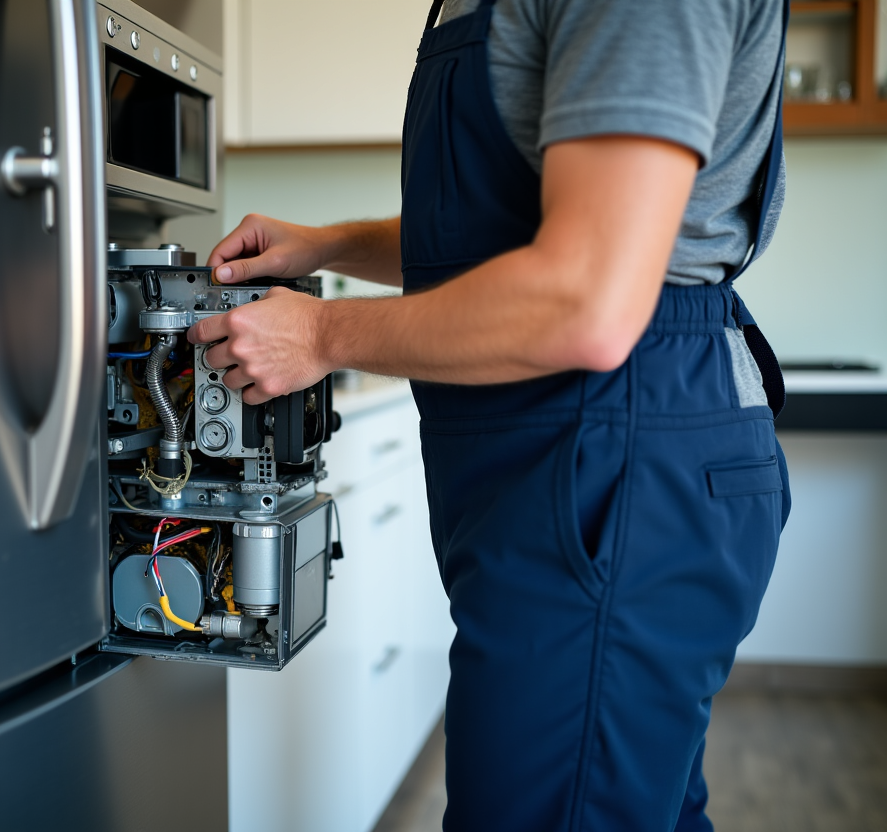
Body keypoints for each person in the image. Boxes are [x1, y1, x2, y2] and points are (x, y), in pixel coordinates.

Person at [188, 0, 792, 829]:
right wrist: (326, 245)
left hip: (618, 457)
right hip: (563, 463)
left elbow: (587, 296)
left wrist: (323, 333)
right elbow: (499, 235)